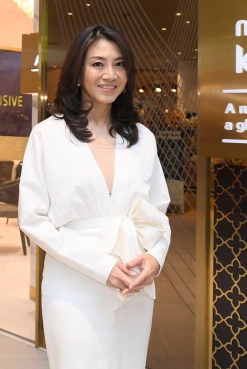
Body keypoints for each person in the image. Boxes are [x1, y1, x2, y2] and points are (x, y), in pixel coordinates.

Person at [18, 24, 171, 368]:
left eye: (119, 64)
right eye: (98, 63)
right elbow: (33, 219)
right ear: (78, 70)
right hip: (74, 284)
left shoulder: (142, 139)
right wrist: (102, 267)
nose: (110, 74)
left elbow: (157, 214)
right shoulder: (48, 136)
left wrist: (155, 258)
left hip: (133, 285)